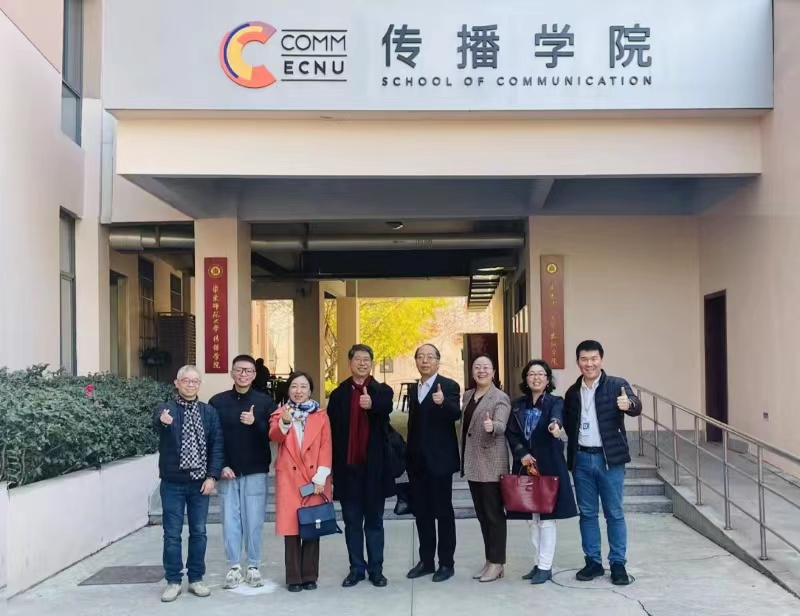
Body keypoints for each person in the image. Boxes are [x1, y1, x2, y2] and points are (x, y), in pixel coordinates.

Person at [564, 340, 642, 586]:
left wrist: (629, 404)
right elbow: (568, 422)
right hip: (581, 460)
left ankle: (618, 563)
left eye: (594, 358)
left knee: (614, 513)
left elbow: (635, 405)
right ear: (578, 362)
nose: (589, 364)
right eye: (584, 359)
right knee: (587, 513)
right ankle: (593, 562)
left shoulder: (617, 385)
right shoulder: (572, 392)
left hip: (609, 461)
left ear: (601, 360)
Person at [154, 365, 223, 603]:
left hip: (200, 483)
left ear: (199, 385)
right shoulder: (166, 409)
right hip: (173, 482)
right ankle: (173, 581)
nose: (191, 385)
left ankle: (196, 579)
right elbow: (157, 423)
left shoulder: (209, 412)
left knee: (199, 532)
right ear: (177, 383)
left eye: (195, 381)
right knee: (172, 534)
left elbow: (217, 445)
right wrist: (163, 422)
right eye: (186, 380)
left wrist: (212, 477)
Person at [328, 344, 395, 588]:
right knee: (352, 522)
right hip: (348, 470)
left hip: (374, 470)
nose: (362, 363)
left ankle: (376, 569)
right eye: (358, 359)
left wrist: (372, 404)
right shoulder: (339, 394)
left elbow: (386, 408)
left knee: (375, 521)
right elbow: (332, 432)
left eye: (367, 359)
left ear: (371, 363)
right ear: (350, 363)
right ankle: (356, 568)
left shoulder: (382, 390)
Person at [505, 360, 578, 585]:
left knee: (547, 519)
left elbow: (557, 418)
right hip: (526, 466)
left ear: (547, 380)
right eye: (531, 374)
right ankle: (538, 563)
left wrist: (555, 426)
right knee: (532, 519)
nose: (536, 377)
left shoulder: (556, 402)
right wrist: (521, 453)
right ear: (526, 379)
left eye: (541, 374)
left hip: (549, 466)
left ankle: (545, 566)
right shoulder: (517, 405)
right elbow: (511, 433)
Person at [209, 354, 276, 589]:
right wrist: (220, 466)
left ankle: (254, 565)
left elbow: (273, 435)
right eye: (239, 370)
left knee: (254, 520)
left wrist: (255, 422)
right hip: (228, 471)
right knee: (230, 520)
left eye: (248, 371)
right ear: (232, 373)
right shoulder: (217, 402)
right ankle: (234, 567)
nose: (243, 374)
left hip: (256, 469)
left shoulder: (265, 402)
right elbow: (213, 437)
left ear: (255, 374)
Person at [269, 371, 333, 592]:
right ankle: (294, 578)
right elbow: (274, 436)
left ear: (310, 390)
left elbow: (326, 446)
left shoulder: (321, 415)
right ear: (288, 389)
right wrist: (285, 423)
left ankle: (310, 576)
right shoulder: (280, 413)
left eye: (303, 386)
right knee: (292, 530)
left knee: (313, 526)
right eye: (294, 386)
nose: (298, 391)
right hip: (289, 478)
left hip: (314, 479)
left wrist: (321, 477)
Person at [405, 343, 462, 583]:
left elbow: (456, 414)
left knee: (443, 513)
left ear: (438, 361)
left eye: (430, 357)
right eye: (421, 357)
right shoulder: (414, 388)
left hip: (440, 462)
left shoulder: (449, 386)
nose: (425, 361)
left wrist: (442, 402)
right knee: (422, 513)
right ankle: (426, 561)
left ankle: (446, 563)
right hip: (417, 463)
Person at [460, 355, 511, 583]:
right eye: (477, 367)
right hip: (473, 463)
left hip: (491, 464)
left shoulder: (500, 397)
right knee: (482, 516)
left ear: (493, 372)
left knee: (494, 516)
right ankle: (490, 560)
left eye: (486, 367)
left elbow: (501, 424)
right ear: (472, 372)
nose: (481, 371)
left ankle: (498, 563)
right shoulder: (468, 395)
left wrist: (493, 426)